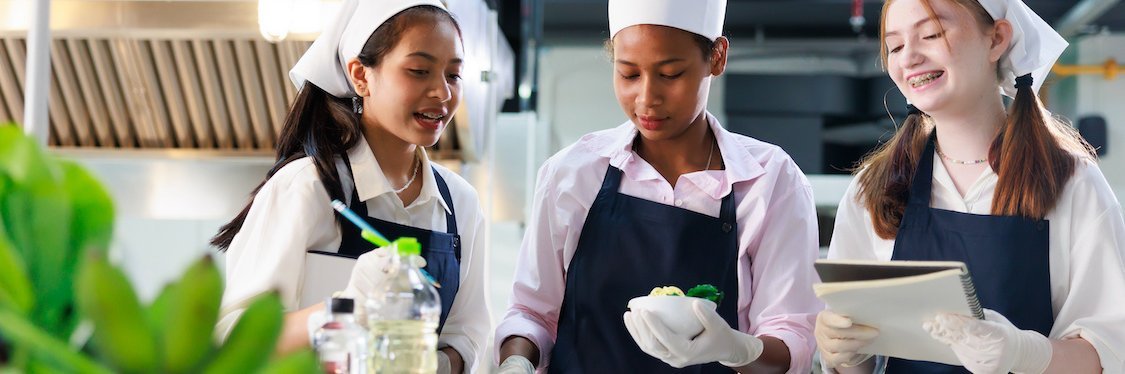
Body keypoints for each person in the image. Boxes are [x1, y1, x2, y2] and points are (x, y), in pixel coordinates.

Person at [493, 0, 822, 372]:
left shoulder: (770, 179)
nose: (647, 98)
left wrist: (737, 349)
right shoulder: (571, 173)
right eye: (629, 74)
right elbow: (531, 312)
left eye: (670, 74)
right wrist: (516, 362)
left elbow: (792, 340)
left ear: (717, 57)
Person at [815, 0, 1125, 373]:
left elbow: (1112, 353)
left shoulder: (1072, 181)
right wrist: (844, 354)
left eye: (931, 34)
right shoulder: (874, 188)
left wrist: (1027, 354)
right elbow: (860, 355)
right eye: (895, 46)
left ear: (996, 39)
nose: (909, 57)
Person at [210, 1, 490, 372]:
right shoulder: (309, 187)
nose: (441, 92)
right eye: (419, 70)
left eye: (453, 75)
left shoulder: (460, 204)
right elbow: (235, 338)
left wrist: (430, 365)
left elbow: (468, 335)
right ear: (360, 74)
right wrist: (347, 308)